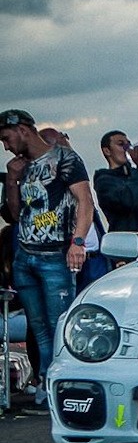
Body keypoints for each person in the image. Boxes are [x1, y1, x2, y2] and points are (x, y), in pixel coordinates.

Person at [0, 110, 95, 412]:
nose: (6, 146)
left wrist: (78, 242)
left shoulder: (65, 159)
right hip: (25, 254)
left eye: (6, 138)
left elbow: (85, 200)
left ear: (23, 130)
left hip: (55, 253)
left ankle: (62, 385)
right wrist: (12, 180)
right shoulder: (19, 167)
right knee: (38, 326)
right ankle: (45, 380)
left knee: (58, 325)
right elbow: (15, 214)